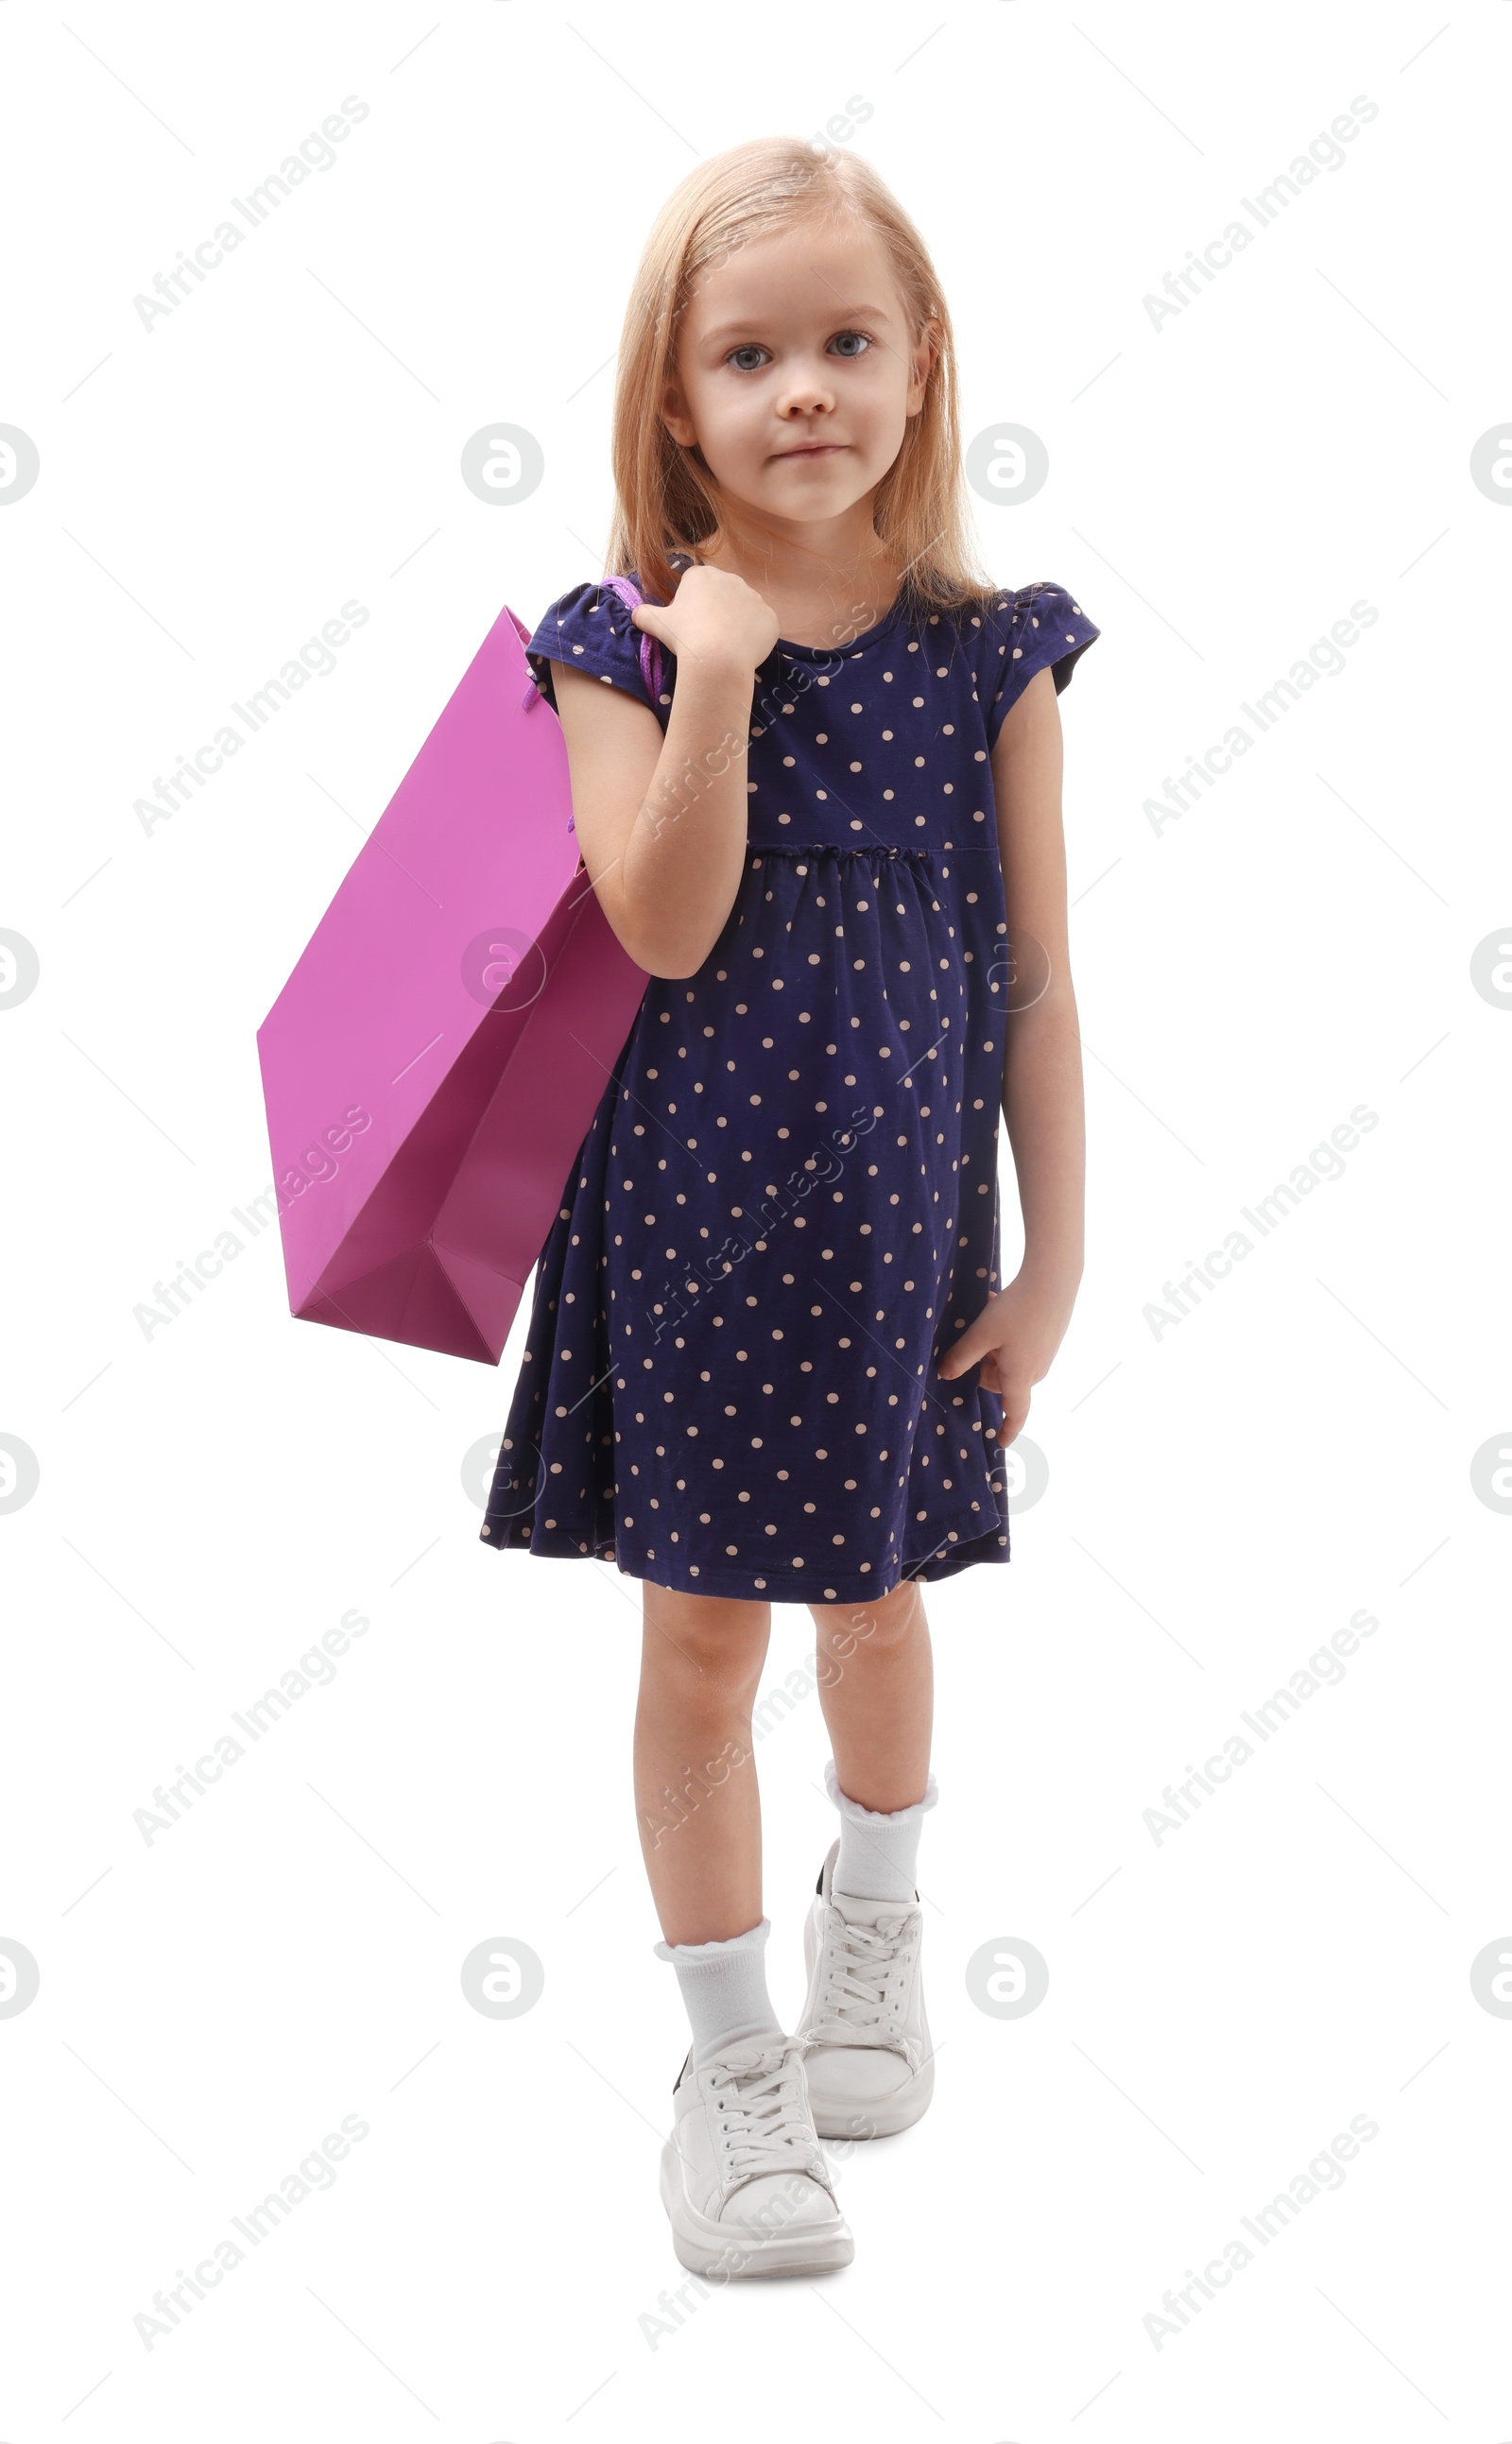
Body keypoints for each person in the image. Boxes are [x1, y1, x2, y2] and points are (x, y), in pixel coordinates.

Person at [480, 133, 1100, 2278]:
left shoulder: (994, 653)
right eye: (748, 355)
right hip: (689, 1227)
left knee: (876, 1605)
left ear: (923, 367)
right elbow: (657, 927)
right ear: (675, 399)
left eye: (847, 341)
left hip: (906, 1237)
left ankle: (878, 1927)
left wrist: (1054, 1260)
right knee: (696, 1634)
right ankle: (727, 2070)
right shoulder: (617, 647)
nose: (804, 389)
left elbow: (1031, 976)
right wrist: (719, 667)